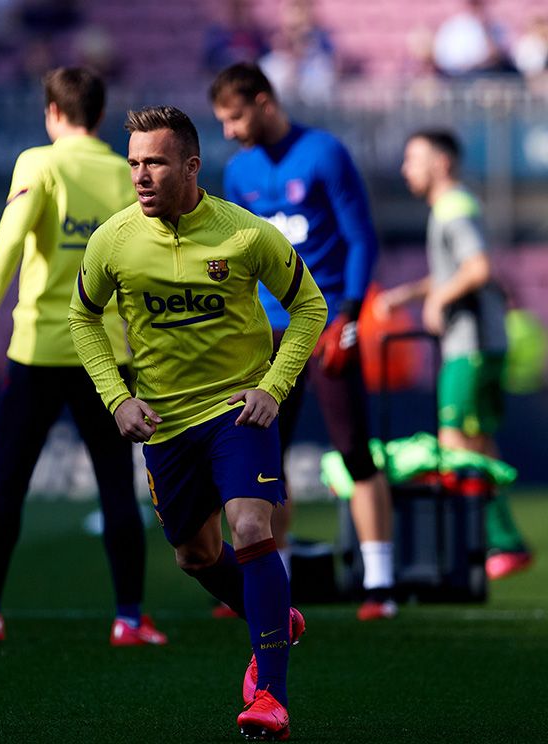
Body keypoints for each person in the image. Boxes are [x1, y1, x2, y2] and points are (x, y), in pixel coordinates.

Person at [69, 105, 326, 739]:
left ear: (191, 165)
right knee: (194, 553)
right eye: (133, 163)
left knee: (249, 525)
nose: (140, 176)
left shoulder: (246, 234)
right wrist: (117, 398)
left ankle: (270, 694)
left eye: (153, 162)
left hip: (238, 411)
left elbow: (311, 307)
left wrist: (273, 386)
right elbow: (82, 319)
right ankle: (271, 613)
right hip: (165, 426)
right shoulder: (113, 240)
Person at [0, 67, 166, 648]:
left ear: (51, 112)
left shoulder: (39, 163)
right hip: (110, 357)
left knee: (8, 487)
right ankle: (129, 617)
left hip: (39, 352)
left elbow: (7, 244)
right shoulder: (128, 173)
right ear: (98, 114)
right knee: (117, 490)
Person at [209, 62, 398, 621]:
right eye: (222, 121)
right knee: (266, 458)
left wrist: (350, 314)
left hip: (327, 323)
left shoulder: (324, 154)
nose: (230, 131)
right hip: (263, 332)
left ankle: (380, 584)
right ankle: (276, 584)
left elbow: (360, 238)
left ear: (265, 102)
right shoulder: (239, 171)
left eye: (236, 117)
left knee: (354, 451)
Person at [378, 129, 533, 581]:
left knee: (454, 442)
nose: (407, 168)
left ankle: (488, 542)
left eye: (414, 158)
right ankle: (504, 544)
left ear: (441, 163)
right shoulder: (453, 206)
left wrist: (438, 300)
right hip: (481, 343)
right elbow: (456, 269)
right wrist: (411, 293)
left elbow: (479, 268)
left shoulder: (453, 208)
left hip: (471, 346)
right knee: (477, 442)